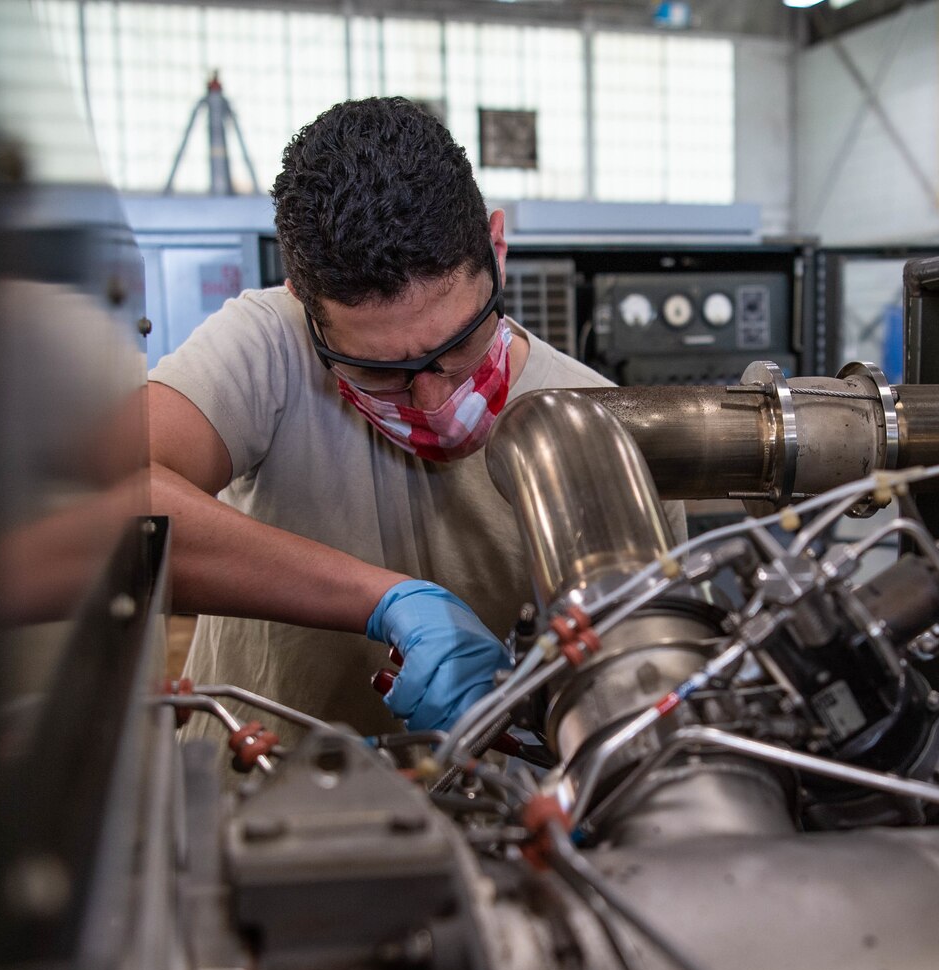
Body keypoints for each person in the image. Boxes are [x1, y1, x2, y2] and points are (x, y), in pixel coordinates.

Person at [145, 97, 672, 742]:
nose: (431, 400)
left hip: (500, 828)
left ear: (497, 251)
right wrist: (382, 600)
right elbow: (104, 500)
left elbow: (650, 684)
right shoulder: (270, 346)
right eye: (379, 371)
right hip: (256, 812)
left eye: (459, 346)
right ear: (303, 305)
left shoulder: (599, 427)